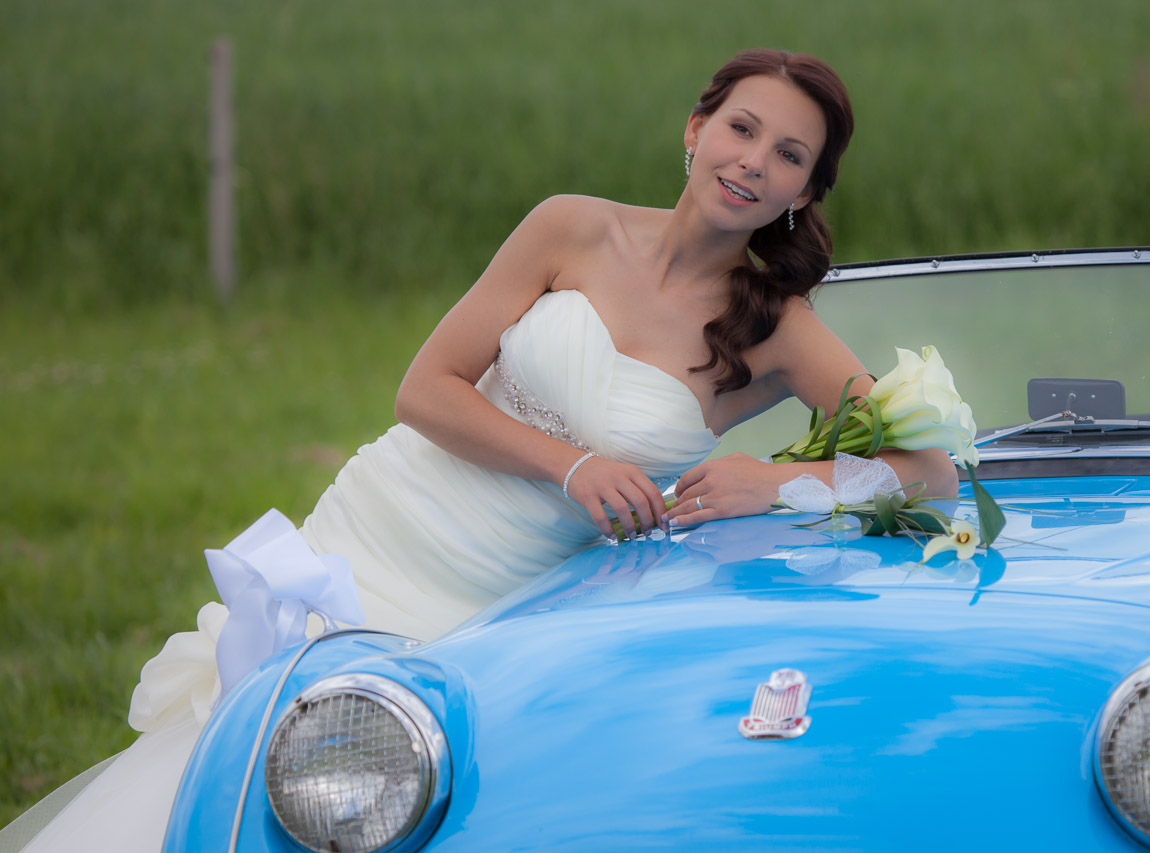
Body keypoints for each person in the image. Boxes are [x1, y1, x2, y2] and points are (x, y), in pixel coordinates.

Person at [8, 48, 957, 851]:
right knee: (256, 755)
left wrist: (772, 481)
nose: (753, 161)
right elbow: (425, 388)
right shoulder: (571, 226)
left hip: (510, 598)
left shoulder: (776, 327)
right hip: (385, 524)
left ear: (805, 191)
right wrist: (572, 465)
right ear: (696, 128)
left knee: (390, 794)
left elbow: (932, 473)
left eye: (789, 155)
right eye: (741, 128)